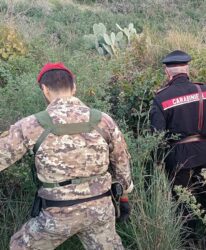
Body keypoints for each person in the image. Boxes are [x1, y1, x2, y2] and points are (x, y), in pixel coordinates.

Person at [0, 62, 133, 249]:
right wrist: (124, 197)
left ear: (45, 90)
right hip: (100, 210)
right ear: (74, 87)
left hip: (57, 215)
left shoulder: (31, 125)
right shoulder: (103, 120)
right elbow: (122, 162)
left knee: (19, 246)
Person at [150, 50, 206, 230]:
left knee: (182, 199)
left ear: (167, 73)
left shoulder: (161, 98)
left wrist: (159, 160)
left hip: (176, 158)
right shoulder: (204, 91)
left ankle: (188, 238)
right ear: (187, 69)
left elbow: (157, 134)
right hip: (203, 152)